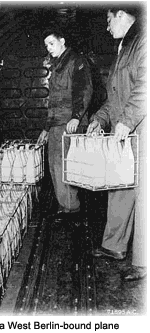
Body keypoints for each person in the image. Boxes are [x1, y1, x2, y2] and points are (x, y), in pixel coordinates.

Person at [86, 6, 146, 281]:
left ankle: (143, 263)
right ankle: (114, 246)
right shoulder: (125, 48)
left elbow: (145, 88)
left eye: (109, 20)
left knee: (144, 196)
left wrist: (126, 121)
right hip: (126, 131)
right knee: (120, 185)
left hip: (142, 130)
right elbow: (114, 97)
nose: (107, 27)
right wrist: (100, 119)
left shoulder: (144, 41)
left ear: (121, 14)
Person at [38, 26, 93, 216]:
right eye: (46, 45)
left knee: (64, 165)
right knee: (54, 165)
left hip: (68, 123)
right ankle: (65, 204)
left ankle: (72, 207)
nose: (49, 48)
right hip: (56, 124)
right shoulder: (57, 65)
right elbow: (54, 101)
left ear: (62, 41)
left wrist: (76, 118)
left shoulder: (76, 61)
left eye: (51, 43)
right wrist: (46, 128)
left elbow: (84, 91)